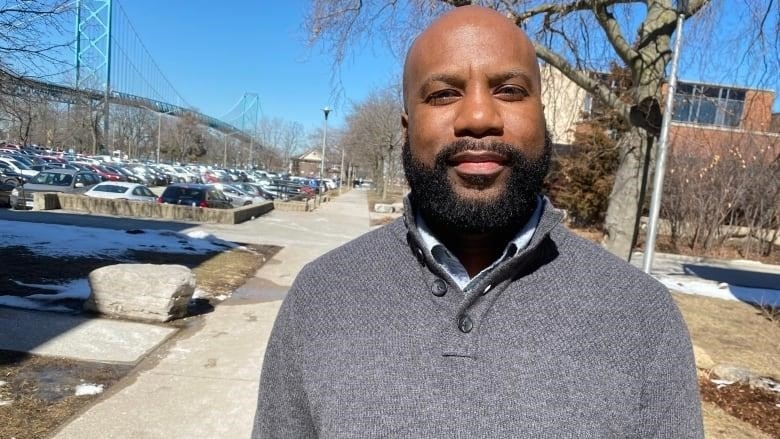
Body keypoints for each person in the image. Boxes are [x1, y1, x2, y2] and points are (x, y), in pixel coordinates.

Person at [253, 5, 703, 438]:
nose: (479, 118)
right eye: (444, 93)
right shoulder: (320, 298)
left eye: (508, 90)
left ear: (543, 119)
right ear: (407, 128)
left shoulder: (642, 317)